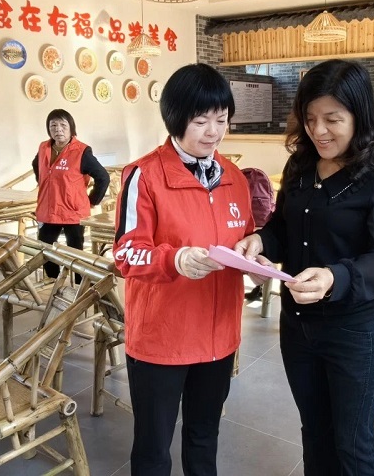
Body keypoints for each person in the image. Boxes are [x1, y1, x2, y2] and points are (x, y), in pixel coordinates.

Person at [234, 59, 374, 476]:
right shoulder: (300, 167)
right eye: (310, 118)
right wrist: (260, 240)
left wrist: (334, 276)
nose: (319, 131)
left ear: (359, 116)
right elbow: (283, 228)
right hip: (298, 327)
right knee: (314, 432)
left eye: (333, 119)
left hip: (355, 331)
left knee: (353, 443)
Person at [113, 63, 254, 476]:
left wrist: (255, 255)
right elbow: (126, 254)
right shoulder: (144, 175)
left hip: (218, 336)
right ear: (175, 119)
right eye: (200, 121)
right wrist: (174, 259)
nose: (213, 132)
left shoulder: (234, 178)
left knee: (204, 436)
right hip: (163, 337)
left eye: (221, 120)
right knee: (154, 448)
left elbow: (244, 238)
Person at [32, 108, 110, 278]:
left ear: (71, 127)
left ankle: (79, 285)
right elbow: (36, 165)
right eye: (53, 125)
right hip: (48, 209)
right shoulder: (44, 148)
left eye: (63, 125)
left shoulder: (81, 151)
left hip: (72, 210)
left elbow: (103, 177)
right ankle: (53, 282)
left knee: (75, 252)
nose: (58, 129)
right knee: (45, 249)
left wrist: (92, 200)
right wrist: (44, 183)